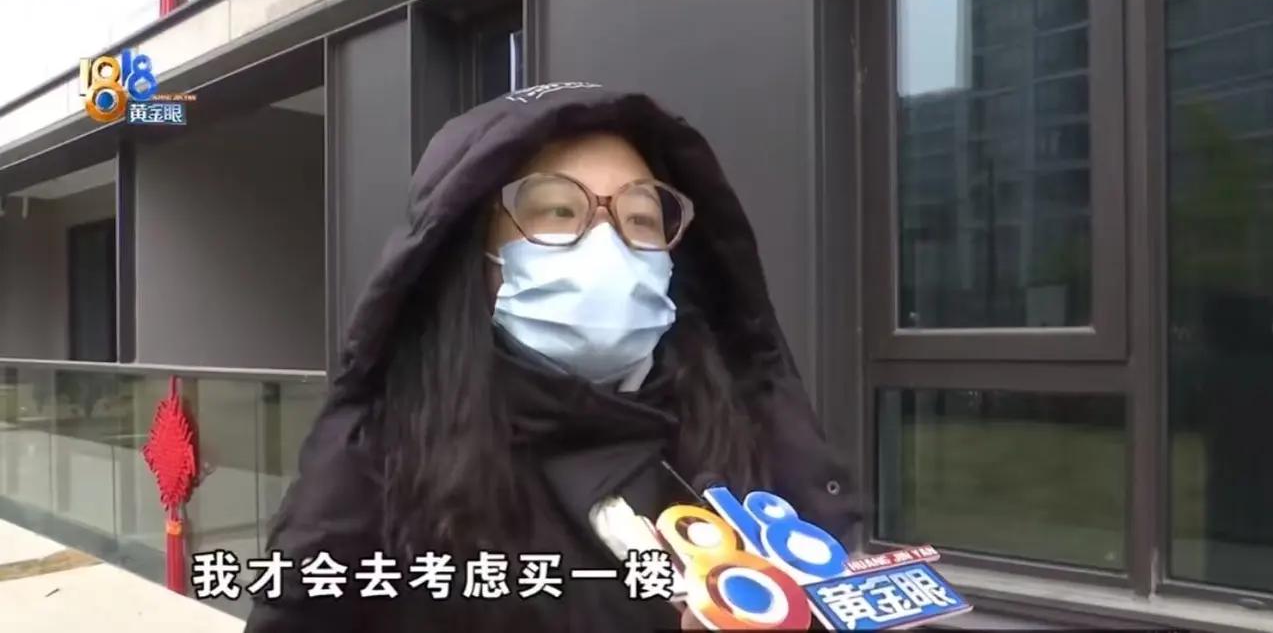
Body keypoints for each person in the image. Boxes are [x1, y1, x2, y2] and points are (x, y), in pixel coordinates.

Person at [245, 83, 858, 632]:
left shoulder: (745, 438)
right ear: (471, 251)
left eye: (641, 218)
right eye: (559, 211)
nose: (608, 244)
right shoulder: (375, 472)